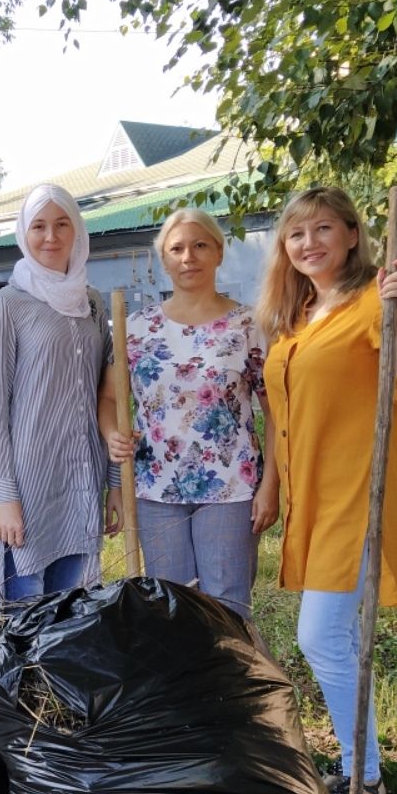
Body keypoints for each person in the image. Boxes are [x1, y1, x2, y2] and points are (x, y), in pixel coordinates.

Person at [256, 186, 397, 794]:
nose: (310, 244)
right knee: (328, 635)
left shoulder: (376, 302)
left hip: (358, 492)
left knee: (320, 635)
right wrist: (273, 487)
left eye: (323, 230)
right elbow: (280, 416)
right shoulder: (299, 315)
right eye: (297, 234)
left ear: (352, 234)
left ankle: (364, 777)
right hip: (313, 494)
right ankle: (362, 772)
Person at [98, 208, 275, 620]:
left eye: (199, 246)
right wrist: (111, 434)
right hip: (156, 488)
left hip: (231, 488)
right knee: (169, 606)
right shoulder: (137, 327)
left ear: (218, 252)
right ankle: (184, 686)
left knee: (226, 605)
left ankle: (229, 684)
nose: (188, 257)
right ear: (163, 260)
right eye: (176, 249)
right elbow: (108, 399)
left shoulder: (248, 324)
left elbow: (277, 414)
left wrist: (271, 486)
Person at [0, 182, 120, 601]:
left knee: (72, 620)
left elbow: (107, 397)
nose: (51, 236)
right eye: (39, 226)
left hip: (80, 483)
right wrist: (4, 496)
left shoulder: (93, 303)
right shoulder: (6, 306)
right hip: (27, 491)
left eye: (62, 224)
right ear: (24, 233)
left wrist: (114, 482)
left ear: (77, 231)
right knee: (26, 627)